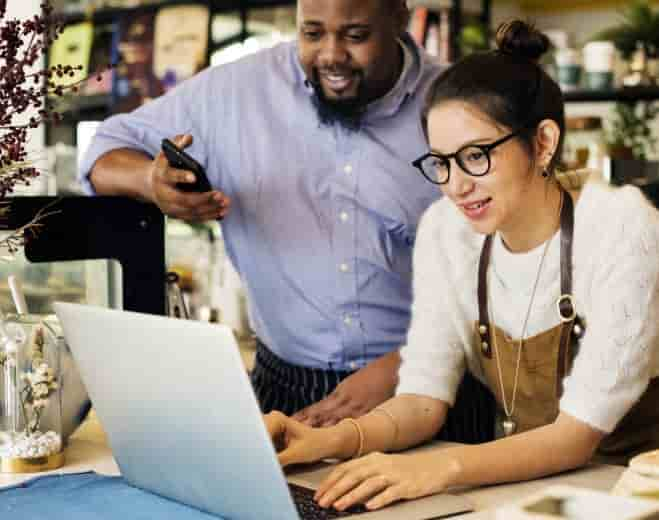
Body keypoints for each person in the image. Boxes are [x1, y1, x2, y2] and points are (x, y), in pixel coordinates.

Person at [264, 20, 659, 513]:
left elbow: (576, 435)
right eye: (441, 162)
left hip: (628, 497)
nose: (455, 185)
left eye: (475, 156)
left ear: (543, 142)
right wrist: (330, 440)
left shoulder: (621, 226)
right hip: (524, 494)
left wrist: (439, 468)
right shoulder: (446, 232)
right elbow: (423, 400)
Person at [81, 0, 498, 433]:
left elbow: (513, 266)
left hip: (437, 387)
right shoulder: (236, 93)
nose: (332, 55)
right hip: (287, 394)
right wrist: (151, 180)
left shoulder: (458, 105)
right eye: (312, 33)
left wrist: (408, 363)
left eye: (355, 36)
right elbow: (105, 147)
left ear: (400, 16)